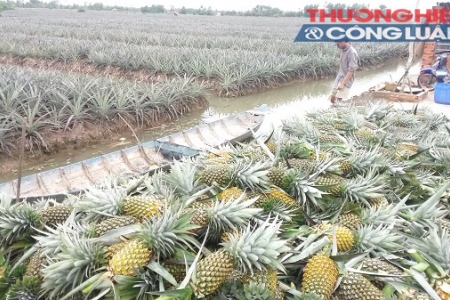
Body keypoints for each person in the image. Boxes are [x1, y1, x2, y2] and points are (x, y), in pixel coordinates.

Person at [329, 38, 359, 103]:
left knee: (339, 100)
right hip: (339, 77)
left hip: (346, 81)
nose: (337, 46)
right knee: (333, 96)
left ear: (342, 42)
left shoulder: (351, 52)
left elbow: (351, 70)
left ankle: (337, 110)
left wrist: (342, 83)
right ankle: (334, 107)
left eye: (338, 44)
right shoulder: (343, 50)